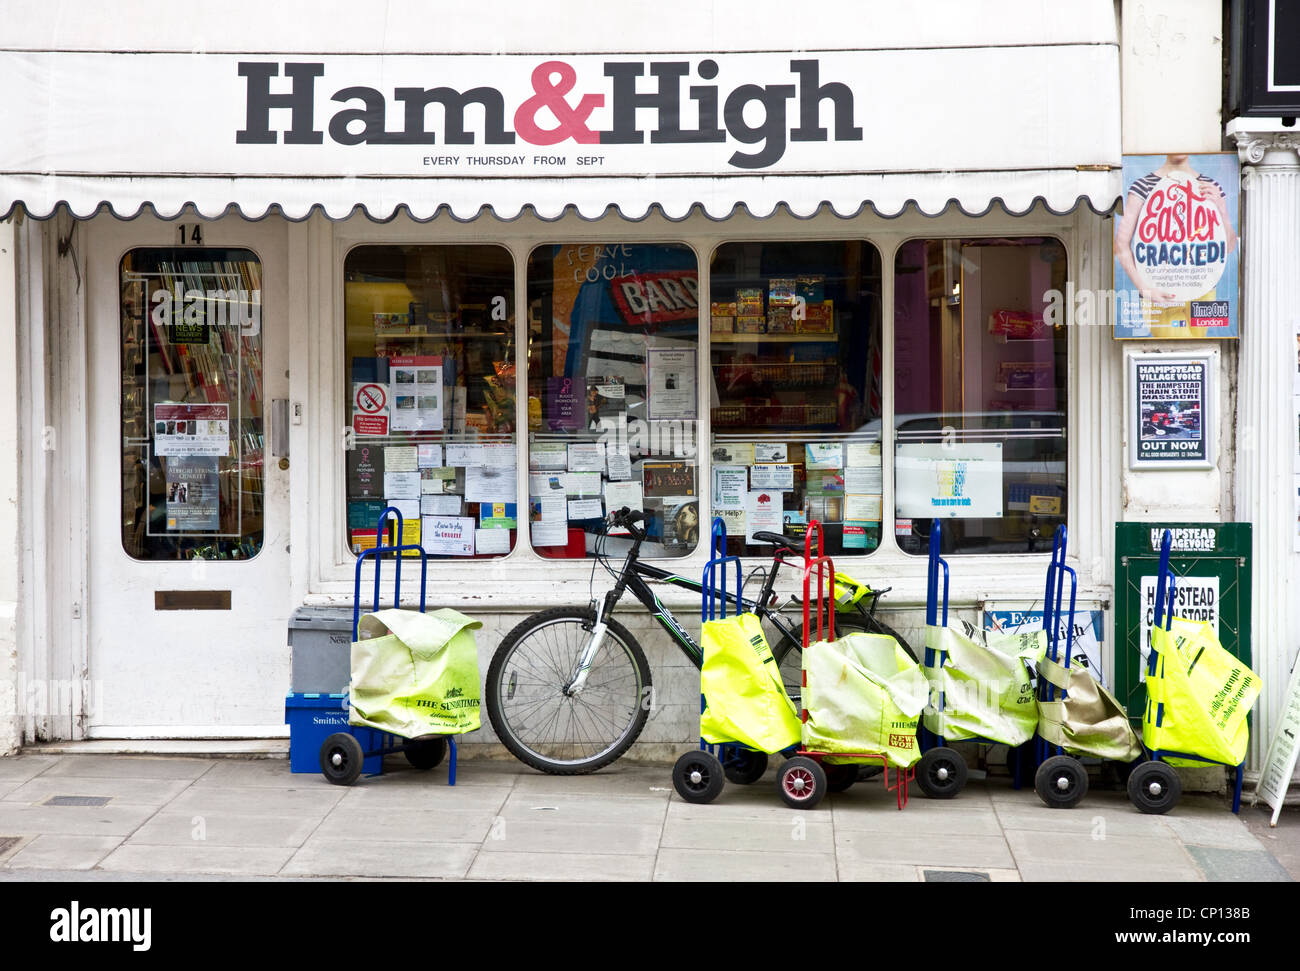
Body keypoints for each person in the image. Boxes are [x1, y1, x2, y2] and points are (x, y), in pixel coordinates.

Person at [1113, 154, 1237, 339]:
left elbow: (1227, 247)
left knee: (1199, 347)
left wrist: (1222, 209)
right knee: (1184, 347)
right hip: (1161, 289)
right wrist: (1144, 288)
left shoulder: (1209, 185)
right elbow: (1121, 245)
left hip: (1204, 288)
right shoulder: (1144, 185)